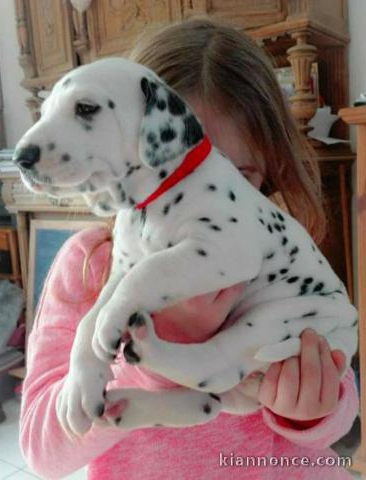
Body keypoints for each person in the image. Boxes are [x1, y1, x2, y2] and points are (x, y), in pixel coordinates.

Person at [19, 16, 359, 480]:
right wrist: (143, 360)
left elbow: (340, 412)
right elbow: (41, 452)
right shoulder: (88, 264)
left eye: (233, 178)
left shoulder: (274, 252)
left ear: (270, 167)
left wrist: (309, 409)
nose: (205, 196)